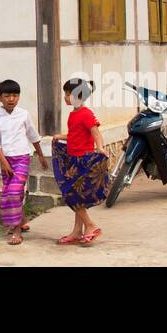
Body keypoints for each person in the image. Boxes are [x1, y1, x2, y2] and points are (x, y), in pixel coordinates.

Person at [0, 78, 48, 246]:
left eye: (15, 95)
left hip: (22, 157)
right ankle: (20, 219)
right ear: (0, 98)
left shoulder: (23, 114)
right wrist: (4, 162)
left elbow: (33, 135)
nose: (11, 99)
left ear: (19, 97)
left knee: (15, 192)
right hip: (6, 159)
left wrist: (41, 155)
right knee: (9, 193)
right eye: (7, 96)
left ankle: (16, 230)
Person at [50, 78, 108, 246]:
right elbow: (74, 135)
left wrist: (100, 148)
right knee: (78, 196)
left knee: (71, 194)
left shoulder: (86, 113)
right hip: (73, 160)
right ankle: (77, 232)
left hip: (84, 160)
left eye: (66, 94)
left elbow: (95, 132)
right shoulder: (74, 114)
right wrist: (59, 137)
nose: (65, 97)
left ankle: (90, 226)